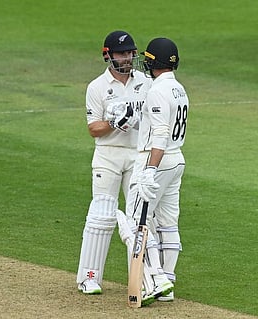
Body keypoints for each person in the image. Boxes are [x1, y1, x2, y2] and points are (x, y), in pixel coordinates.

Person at [76, 30, 152, 294]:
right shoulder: (96, 87)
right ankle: (89, 277)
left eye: (131, 52)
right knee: (102, 215)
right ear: (108, 55)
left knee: (137, 219)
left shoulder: (145, 81)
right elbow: (93, 128)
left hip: (137, 156)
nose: (128, 58)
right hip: (108, 155)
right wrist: (113, 123)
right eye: (122, 53)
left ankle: (143, 280)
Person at [125, 37, 189, 303]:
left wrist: (149, 170)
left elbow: (160, 134)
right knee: (167, 222)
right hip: (177, 160)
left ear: (154, 62)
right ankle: (168, 283)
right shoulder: (179, 89)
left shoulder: (156, 92)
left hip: (157, 161)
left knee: (136, 219)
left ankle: (155, 279)